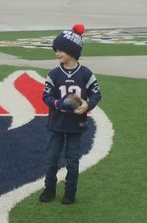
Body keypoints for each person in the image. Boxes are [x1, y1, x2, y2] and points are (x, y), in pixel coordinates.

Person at [39, 24, 102, 204]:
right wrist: (58, 103)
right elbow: (46, 96)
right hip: (57, 123)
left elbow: (97, 93)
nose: (57, 54)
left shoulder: (85, 74)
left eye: (60, 50)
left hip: (76, 124)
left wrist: (87, 105)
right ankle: (49, 189)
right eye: (56, 50)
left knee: (73, 162)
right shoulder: (54, 74)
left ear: (72, 51)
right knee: (51, 160)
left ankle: (70, 193)